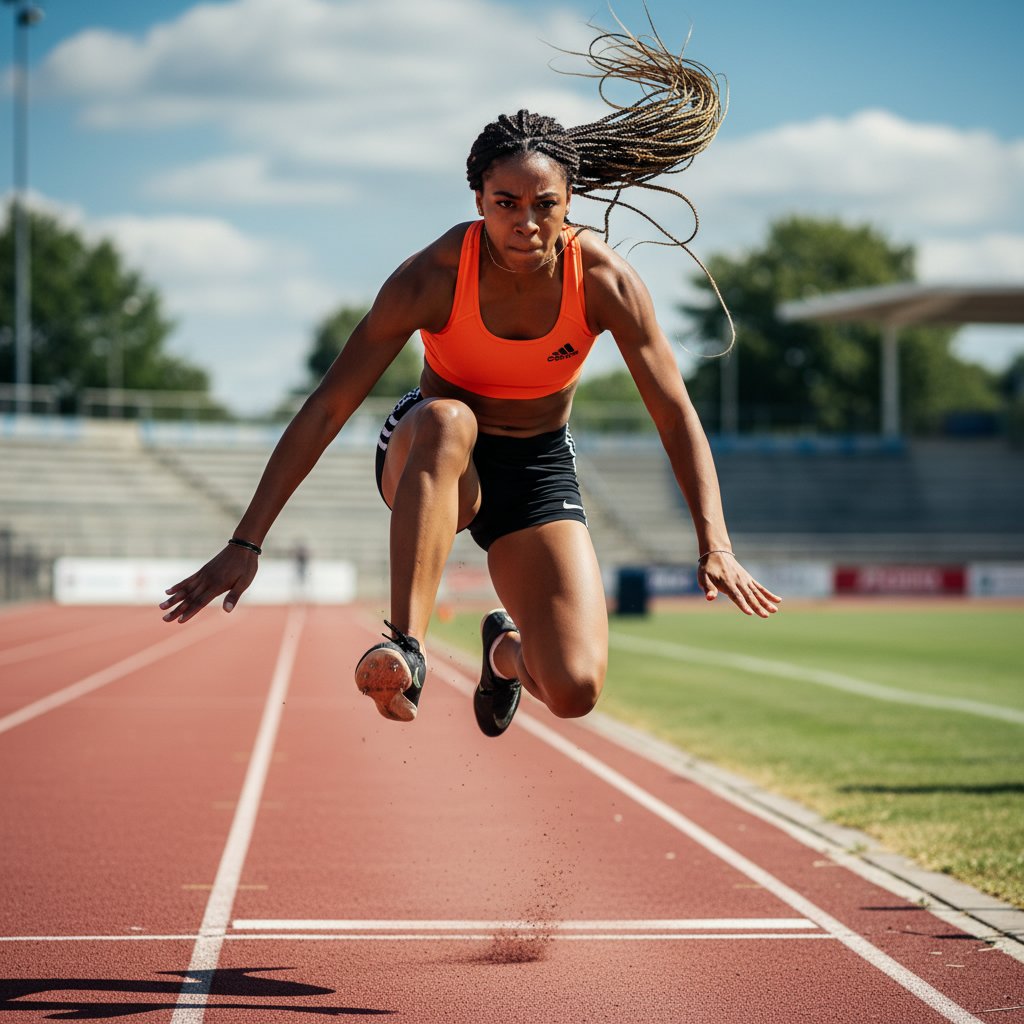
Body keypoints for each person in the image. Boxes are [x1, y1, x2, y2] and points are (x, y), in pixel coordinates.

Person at [160, 23, 780, 736]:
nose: (525, 223)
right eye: (505, 204)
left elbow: (674, 414)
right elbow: (330, 407)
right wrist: (247, 543)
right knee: (452, 419)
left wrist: (715, 542)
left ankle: (503, 652)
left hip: (538, 462)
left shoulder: (604, 280)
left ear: (568, 200)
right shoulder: (431, 277)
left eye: (543, 204)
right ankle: (405, 646)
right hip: (432, 450)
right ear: (479, 200)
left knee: (575, 688)